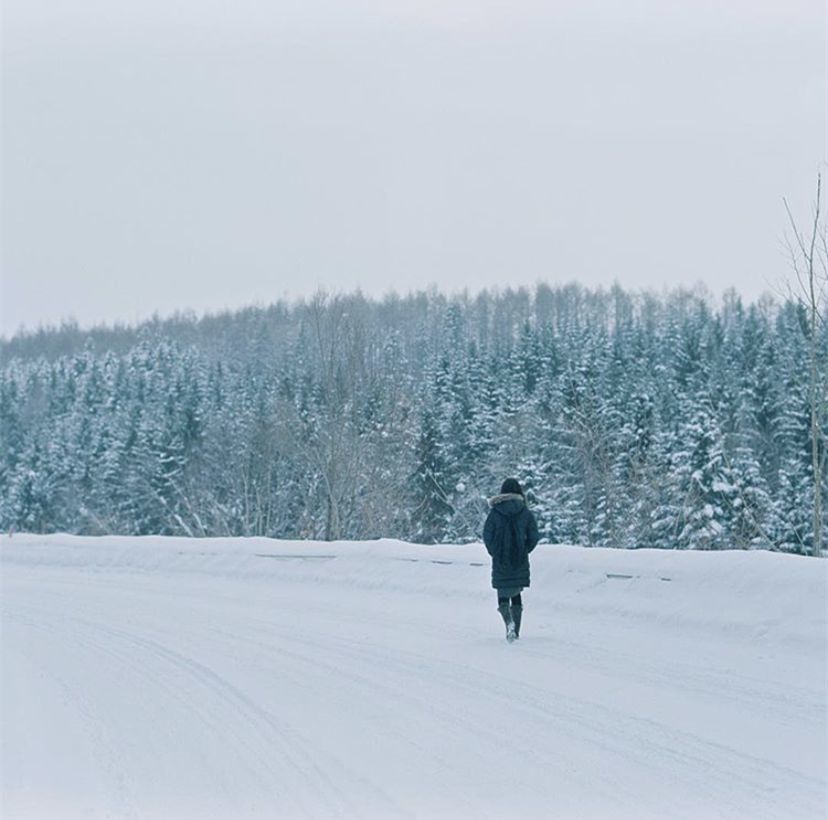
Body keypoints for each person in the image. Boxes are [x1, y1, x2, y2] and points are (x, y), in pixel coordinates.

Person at [483, 478, 539, 642]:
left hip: (501, 558)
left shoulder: (495, 513)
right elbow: (534, 536)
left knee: (503, 591)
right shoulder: (525, 512)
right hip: (519, 558)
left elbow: (487, 535)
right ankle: (517, 630)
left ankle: (509, 624)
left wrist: (495, 551)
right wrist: (524, 549)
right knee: (516, 592)